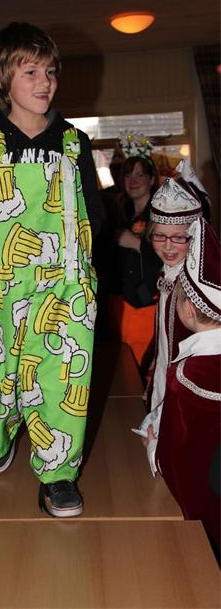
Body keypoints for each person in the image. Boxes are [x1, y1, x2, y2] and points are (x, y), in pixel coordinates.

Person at [0, 22, 102, 517]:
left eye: (50, 72)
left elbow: (94, 212)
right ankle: (1, 420)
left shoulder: (74, 143)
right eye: (30, 71)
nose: (44, 82)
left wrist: (80, 269)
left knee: (60, 377)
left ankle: (58, 474)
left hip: (63, 284)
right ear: (3, 78)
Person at [152, 218, 221, 557]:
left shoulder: (187, 375)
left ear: (188, 309)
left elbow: (175, 454)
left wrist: (153, 446)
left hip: (207, 520)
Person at [132, 177, 202, 473]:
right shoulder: (169, 271)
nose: (168, 246)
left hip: (188, 396)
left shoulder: (199, 288)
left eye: (179, 238)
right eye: (160, 237)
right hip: (164, 385)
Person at [108, 155, 162, 375]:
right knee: (122, 367)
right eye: (128, 175)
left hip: (145, 304)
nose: (133, 180)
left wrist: (137, 244)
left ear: (151, 179)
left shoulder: (160, 215)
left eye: (140, 174)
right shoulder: (119, 211)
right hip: (119, 303)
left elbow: (171, 257)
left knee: (141, 370)